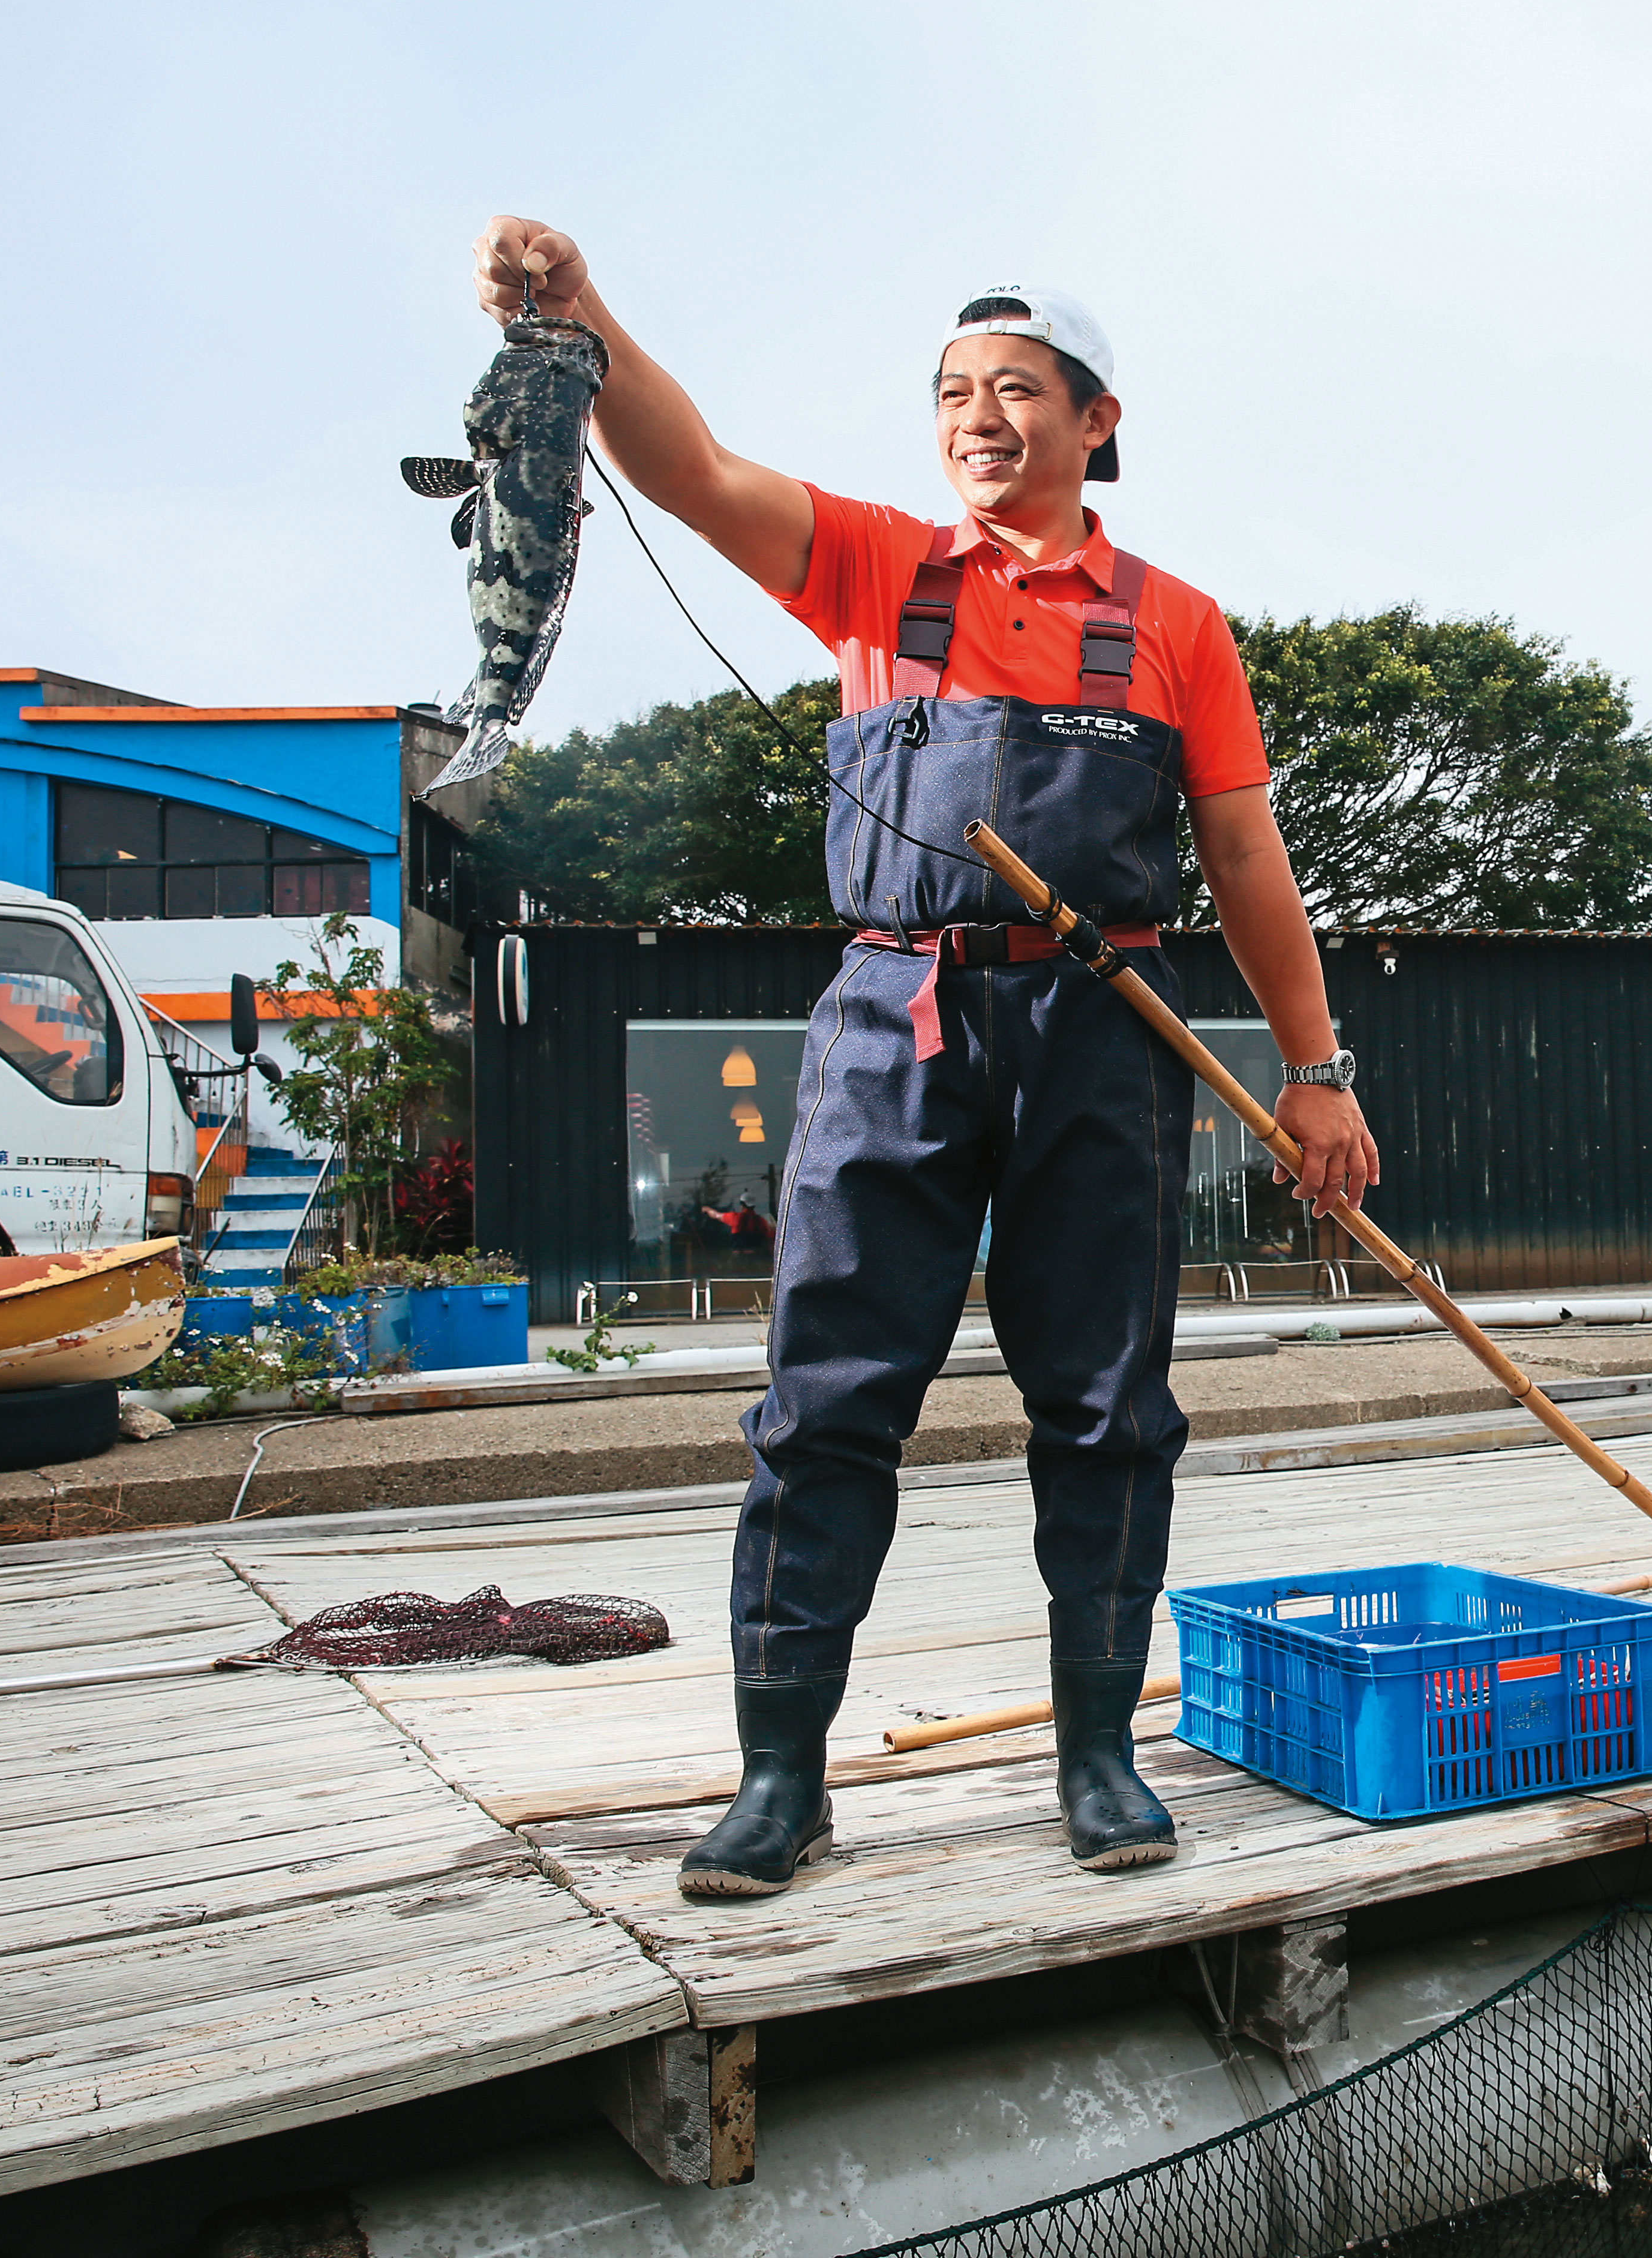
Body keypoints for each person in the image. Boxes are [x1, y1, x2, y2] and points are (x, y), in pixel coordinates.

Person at [468, 218, 1379, 1892]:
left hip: (1102, 1031)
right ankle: (781, 1780)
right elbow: (690, 473)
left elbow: (1247, 858)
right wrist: (581, 320)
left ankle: (1099, 1757)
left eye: (1019, 388)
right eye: (955, 391)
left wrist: (1316, 1073)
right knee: (827, 1401)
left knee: (1108, 1407)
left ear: (1097, 419)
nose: (980, 416)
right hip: (896, 1021)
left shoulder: (1177, 626)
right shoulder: (880, 570)